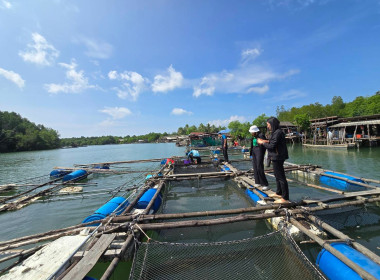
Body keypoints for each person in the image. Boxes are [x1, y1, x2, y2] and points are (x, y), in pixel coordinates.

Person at [257, 117, 289, 204]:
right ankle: (279, 192)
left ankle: (285, 198)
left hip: (278, 157)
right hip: (276, 156)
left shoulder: (278, 133)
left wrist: (262, 143)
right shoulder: (276, 132)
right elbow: (272, 142)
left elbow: (272, 146)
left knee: (281, 177)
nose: (267, 126)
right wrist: (265, 141)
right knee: (277, 175)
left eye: (268, 124)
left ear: (272, 124)